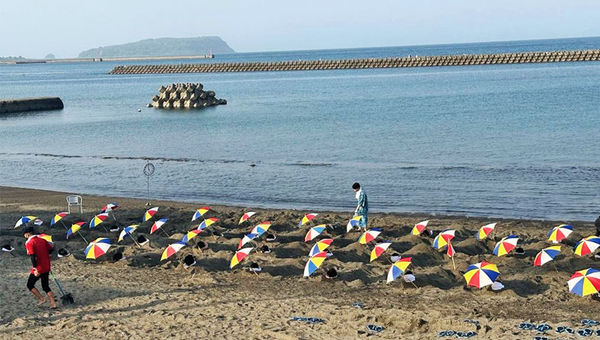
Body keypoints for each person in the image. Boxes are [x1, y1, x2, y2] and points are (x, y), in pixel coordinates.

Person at [23, 226, 57, 309]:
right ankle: (53, 303)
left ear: (27, 234)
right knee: (45, 286)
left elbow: (32, 257)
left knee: (30, 285)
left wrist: (35, 269)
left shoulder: (29, 243)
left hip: (39, 267)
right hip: (46, 266)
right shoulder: (42, 240)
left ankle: (41, 298)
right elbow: (51, 249)